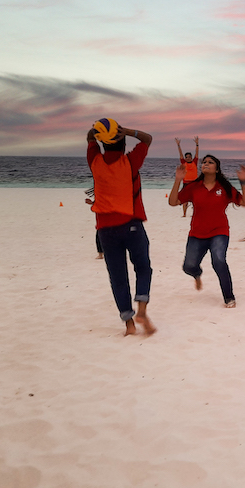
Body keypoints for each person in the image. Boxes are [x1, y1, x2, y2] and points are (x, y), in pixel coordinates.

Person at [87, 122, 155, 336]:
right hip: (131, 224)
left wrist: (98, 132)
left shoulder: (95, 161)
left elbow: (90, 138)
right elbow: (147, 138)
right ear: (124, 143)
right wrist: (128, 131)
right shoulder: (130, 162)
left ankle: (129, 324)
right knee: (143, 267)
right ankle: (142, 310)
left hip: (106, 229)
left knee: (117, 276)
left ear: (102, 144)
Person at [170, 156, 245, 307]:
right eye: (204, 162)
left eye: (210, 162)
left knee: (219, 261)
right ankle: (197, 274)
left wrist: (243, 182)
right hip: (197, 233)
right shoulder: (194, 187)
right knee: (188, 266)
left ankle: (229, 297)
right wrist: (178, 180)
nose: (206, 164)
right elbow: (173, 202)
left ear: (217, 169)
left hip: (219, 231)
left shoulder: (224, 187)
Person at [176, 137, 199, 218]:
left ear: (191, 157)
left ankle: (195, 214)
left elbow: (197, 153)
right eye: (187, 157)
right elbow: (181, 155)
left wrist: (197, 144)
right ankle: (184, 214)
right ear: (185, 158)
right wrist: (178, 145)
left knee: (195, 200)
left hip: (194, 183)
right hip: (186, 183)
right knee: (185, 200)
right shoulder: (183, 163)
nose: (188, 158)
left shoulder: (194, 162)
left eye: (189, 157)